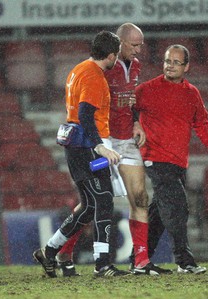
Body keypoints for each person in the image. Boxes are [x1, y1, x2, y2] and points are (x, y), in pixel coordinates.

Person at [55, 23, 172, 276]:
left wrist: (137, 121)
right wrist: (97, 141)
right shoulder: (101, 69)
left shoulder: (136, 67)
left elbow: (130, 100)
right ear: (118, 46)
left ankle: (140, 260)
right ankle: (66, 250)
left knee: (140, 198)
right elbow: (87, 105)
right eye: (133, 45)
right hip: (104, 141)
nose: (138, 50)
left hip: (126, 141)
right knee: (94, 201)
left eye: (141, 45)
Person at [33, 30, 130, 277]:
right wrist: (100, 146)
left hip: (75, 147)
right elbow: (86, 114)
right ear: (110, 55)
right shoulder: (95, 77)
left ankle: (49, 251)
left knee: (88, 206)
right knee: (105, 199)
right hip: (88, 148)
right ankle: (103, 264)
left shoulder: (78, 69)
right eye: (115, 57)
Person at [133, 44, 208, 274]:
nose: (170, 66)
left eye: (176, 62)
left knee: (159, 211)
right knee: (178, 207)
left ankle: (139, 260)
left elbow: (203, 124)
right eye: (167, 61)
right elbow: (124, 109)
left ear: (187, 66)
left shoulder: (191, 93)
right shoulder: (147, 89)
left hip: (178, 162)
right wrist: (134, 123)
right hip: (154, 157)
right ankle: (184, 261)